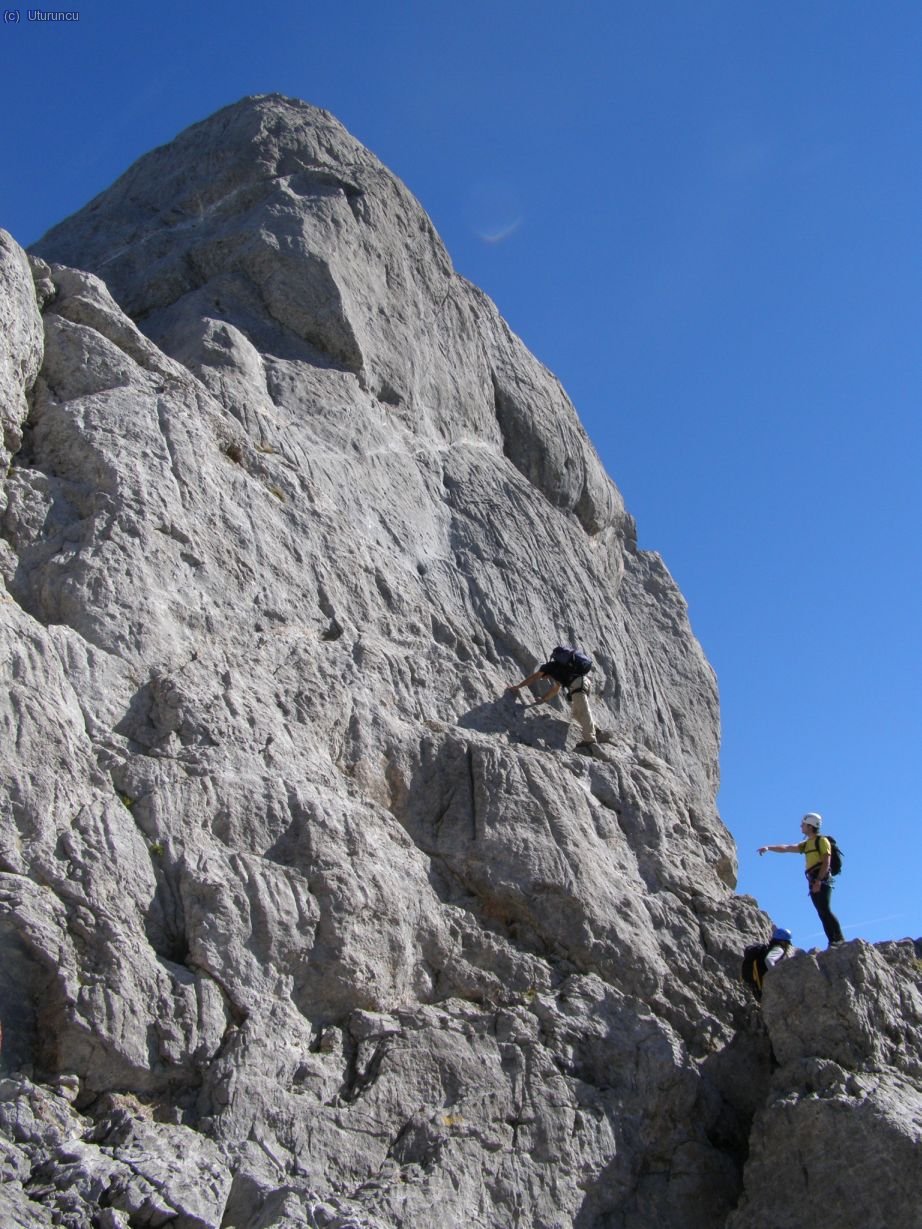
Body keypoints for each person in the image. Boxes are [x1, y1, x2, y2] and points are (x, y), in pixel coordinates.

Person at [758, 813, 845, 947]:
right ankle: (832, 941)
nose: (801, 826)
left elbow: (826, 862)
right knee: (821, 912)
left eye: (803, 824)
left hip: (821, 879)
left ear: (810, 826)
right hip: (813, 879)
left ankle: (838, 939)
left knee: (825, 909)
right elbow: (787, 848)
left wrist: (819, 881)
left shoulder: (821, 841)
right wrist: (769, 848)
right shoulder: (807, 844)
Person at [506, 648, 598, 754]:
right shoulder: (558, 671)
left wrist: (518, 686)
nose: (543, 679)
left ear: (542, 671)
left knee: (582, 710)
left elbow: (533, 678)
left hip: (578, 684)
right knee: (577, 713)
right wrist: (544, 699)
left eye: (542, 676)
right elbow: (555, 689)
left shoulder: (548, 667)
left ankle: (590, 739)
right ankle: (595, 729)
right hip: (582, 682)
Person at [741, 926, 793, 1001]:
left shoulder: (767, 949)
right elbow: (769, 960)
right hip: (766, 984)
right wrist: (775, 976)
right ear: (783, 941)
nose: (787, 946)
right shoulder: (778, 949)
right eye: (787, 943)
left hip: (759, 985)